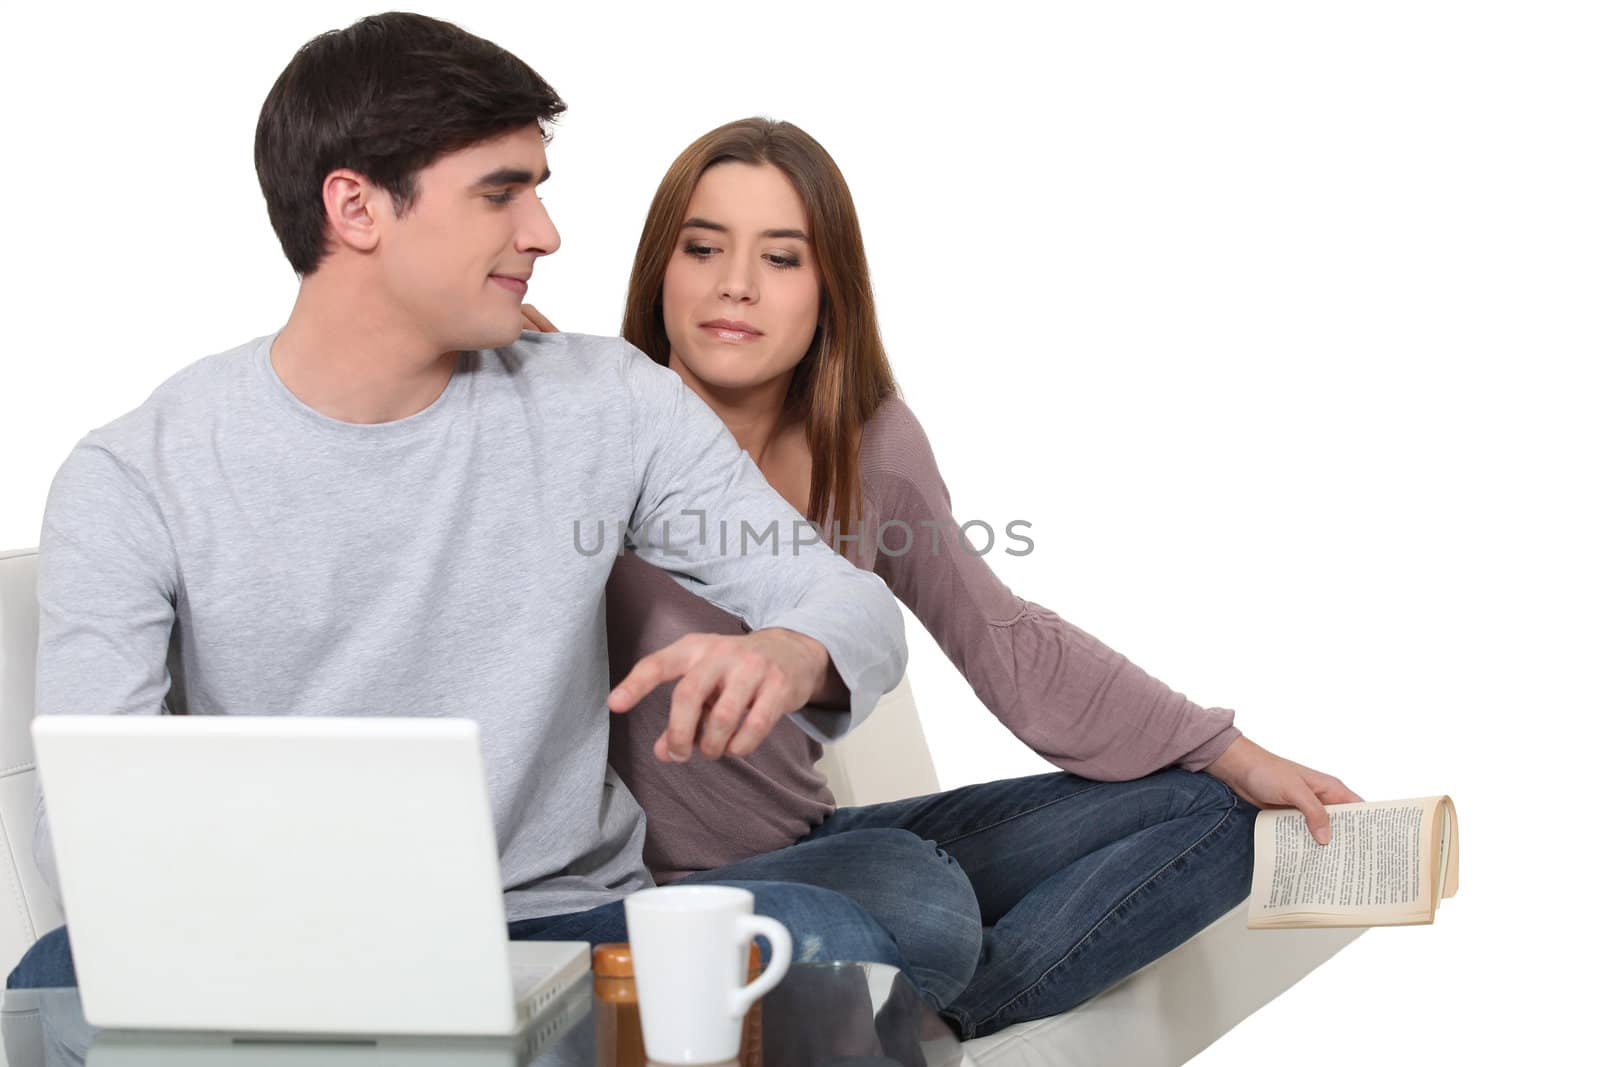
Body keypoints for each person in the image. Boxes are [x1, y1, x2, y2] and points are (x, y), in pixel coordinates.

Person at [5, 17, 986, 1007]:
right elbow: (83, 831)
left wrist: (791, 648)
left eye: (538, 190)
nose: (544, 234)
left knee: (899, 904)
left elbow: (846, 597)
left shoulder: (606, 398)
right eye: (500, 192)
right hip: (297, 946)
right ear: (354, 206)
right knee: (50, 975)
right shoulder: (134, 473)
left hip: (570, 923)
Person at [521, 117, 1363, 1039]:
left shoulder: (871, 447)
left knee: (1213, 812)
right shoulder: (593, 411)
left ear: (828, 290)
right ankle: (893, 970)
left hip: (812, 853)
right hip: (647, 883)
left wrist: (1231, 751)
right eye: (703, 247)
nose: (736, 285)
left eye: (783, 257)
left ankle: (924, 1005)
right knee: (922, 904)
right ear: (661, 267)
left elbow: (1001, 637)